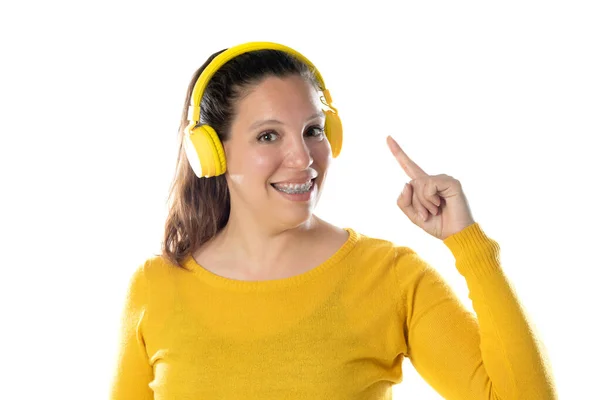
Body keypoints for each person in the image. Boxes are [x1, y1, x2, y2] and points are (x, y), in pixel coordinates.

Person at [109, 42, 557, 399]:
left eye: (313, 130)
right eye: (269, 135)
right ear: (210, 153)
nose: (303, 159)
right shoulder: (155, 288)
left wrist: (468, 245)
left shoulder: (390, 277)